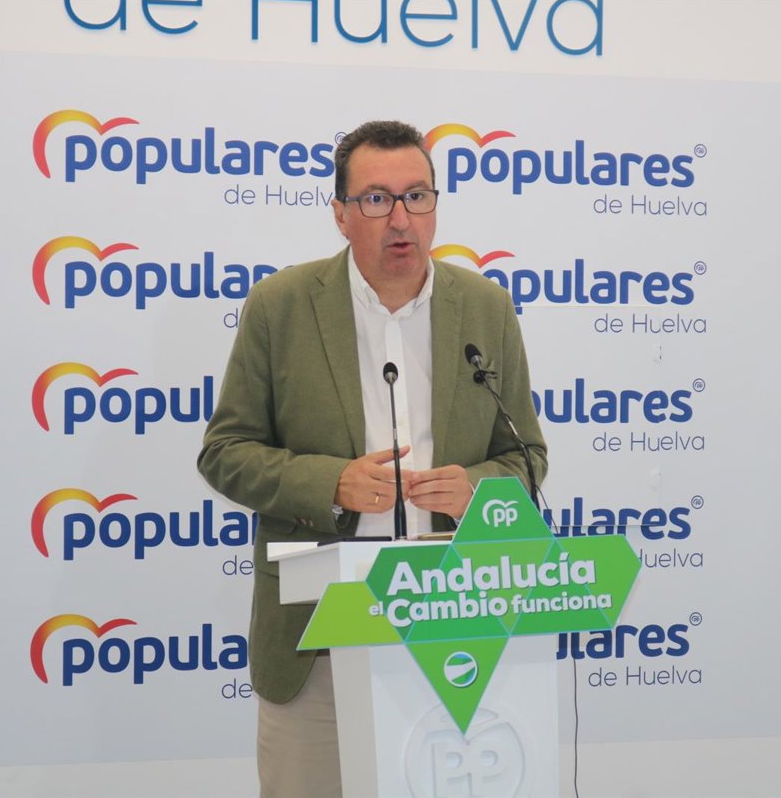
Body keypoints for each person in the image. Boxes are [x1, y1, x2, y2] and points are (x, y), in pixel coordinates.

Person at [197, 119, 547, 798]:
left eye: (417, 196)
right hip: (319, 636)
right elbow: (225, 451)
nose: (401, 219)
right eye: (377, 199)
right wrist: (332, 483)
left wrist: (475, 490)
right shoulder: (281, 306)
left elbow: (525, 455)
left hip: (454, 628)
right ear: (341, 214)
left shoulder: (486, 307)